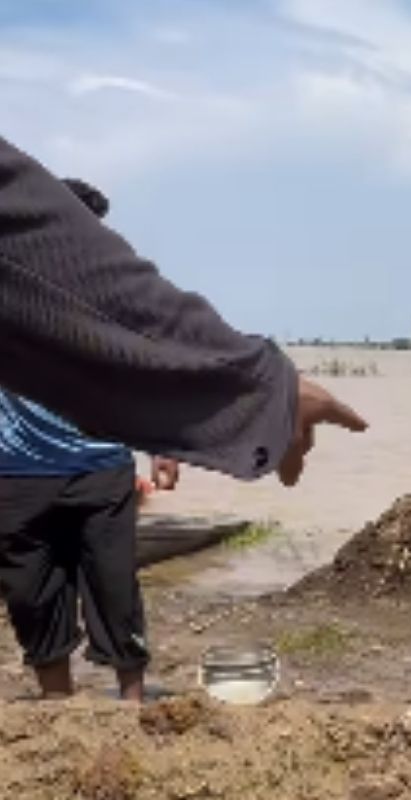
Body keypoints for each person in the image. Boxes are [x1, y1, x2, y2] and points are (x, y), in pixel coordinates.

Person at [0, 135, 367, 484]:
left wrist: (165, 448)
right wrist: (257, 386)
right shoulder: (44, 294)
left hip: (101, 472)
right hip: (24, 478)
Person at [0, 179, 181, 702]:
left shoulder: (114, 298)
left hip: (101, 467)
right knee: (30, 597)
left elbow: (147, 373)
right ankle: (58, 711)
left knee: (116, 590)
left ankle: (131, 705)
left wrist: (164, 443)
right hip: (15, 472)